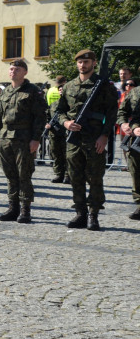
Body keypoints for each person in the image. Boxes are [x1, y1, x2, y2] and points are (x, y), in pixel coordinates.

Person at [56, 50, 119, 231]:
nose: (83, 65)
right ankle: (80, 213)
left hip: (94, 138)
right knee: (75, 178)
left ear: (93, 63)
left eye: (86, 62)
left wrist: (104, 136)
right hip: (74, 140)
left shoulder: (104, 85)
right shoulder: (69, 86)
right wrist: (66, 123)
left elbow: (112, 113)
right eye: (80, 62)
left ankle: (93, 214)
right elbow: (59, 111)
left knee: (95, 178)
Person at [0, 59, 47, 223]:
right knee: (10, 175)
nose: (13, 72)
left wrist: (36, 139)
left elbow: (40, 117)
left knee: (24, 174)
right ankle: (12, 207)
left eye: (17, 69)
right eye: (11, 69)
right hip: (6, 139)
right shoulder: (6, 91)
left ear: (25, 72)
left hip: (24, 139)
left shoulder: (32, 91)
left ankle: (25, 210)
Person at [117, 78, 140, 221]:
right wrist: (125, 124)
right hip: (136, 140)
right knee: (136, 172)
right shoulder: (134, 93)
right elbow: (121, 112)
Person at [45, 76, 68, 183]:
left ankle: (68, 175)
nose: (60, 91)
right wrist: (47, 123)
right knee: (56, 153)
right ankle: (59, 174)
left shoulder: (70, 104)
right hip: (54, 132)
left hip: (67, 133)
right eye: (59, 90)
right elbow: (47, 114)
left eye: (62, 90)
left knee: (67, 154)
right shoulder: (54, 103)